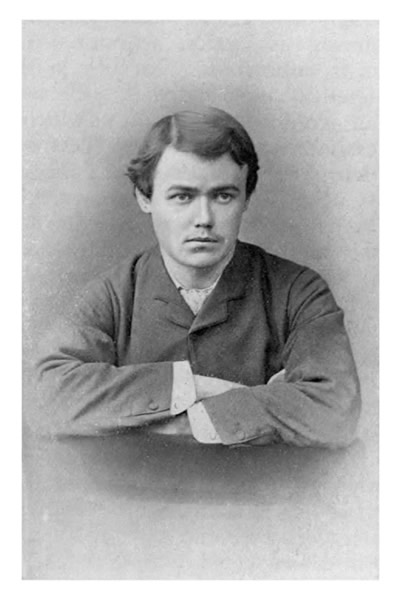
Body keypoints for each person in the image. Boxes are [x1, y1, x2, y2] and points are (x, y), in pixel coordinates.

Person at [35, 107, 361, 447]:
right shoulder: (113, 294)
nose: (204, 218)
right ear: (145, 198)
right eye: (182, 197)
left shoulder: (298, 291)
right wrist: (197, 388)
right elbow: (41, 396)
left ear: (246, 198)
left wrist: (174, 421)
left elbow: (336, 411)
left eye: (223, 196)